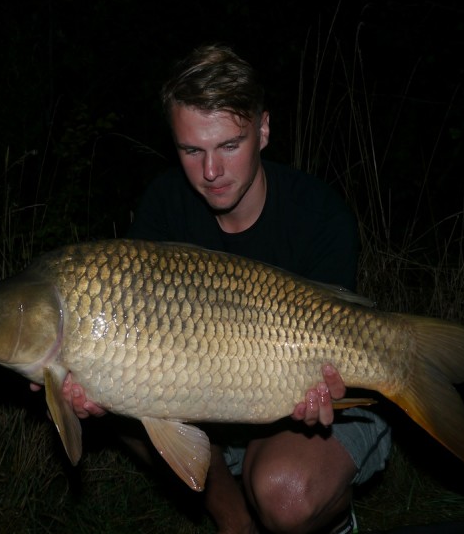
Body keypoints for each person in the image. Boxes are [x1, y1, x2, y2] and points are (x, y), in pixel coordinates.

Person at [60, 44, 391, 534]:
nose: (210, 172)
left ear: (263, 130)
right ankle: (233, 519)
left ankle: (330, 521)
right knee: (118, 385)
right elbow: (135, 349)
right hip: (213, 404)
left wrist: (323, 386)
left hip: (294, 404)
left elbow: (332, 349)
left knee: (286, 494)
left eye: (229, 146)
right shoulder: (164, 207)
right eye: (192, 151)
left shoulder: (318, 215)